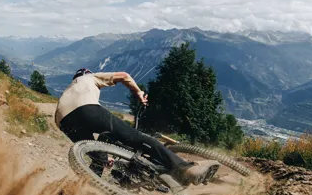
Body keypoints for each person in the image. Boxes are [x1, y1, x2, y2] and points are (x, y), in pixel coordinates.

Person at [55, 68, 219, 185]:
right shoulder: (90, 77)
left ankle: (87, 191)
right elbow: (124, 76)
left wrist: (105, 155)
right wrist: (139, 93)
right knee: (139, 139)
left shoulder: (69, 89)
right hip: (86, 109)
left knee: (98, 158)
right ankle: (185, 169)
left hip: (63, 121)